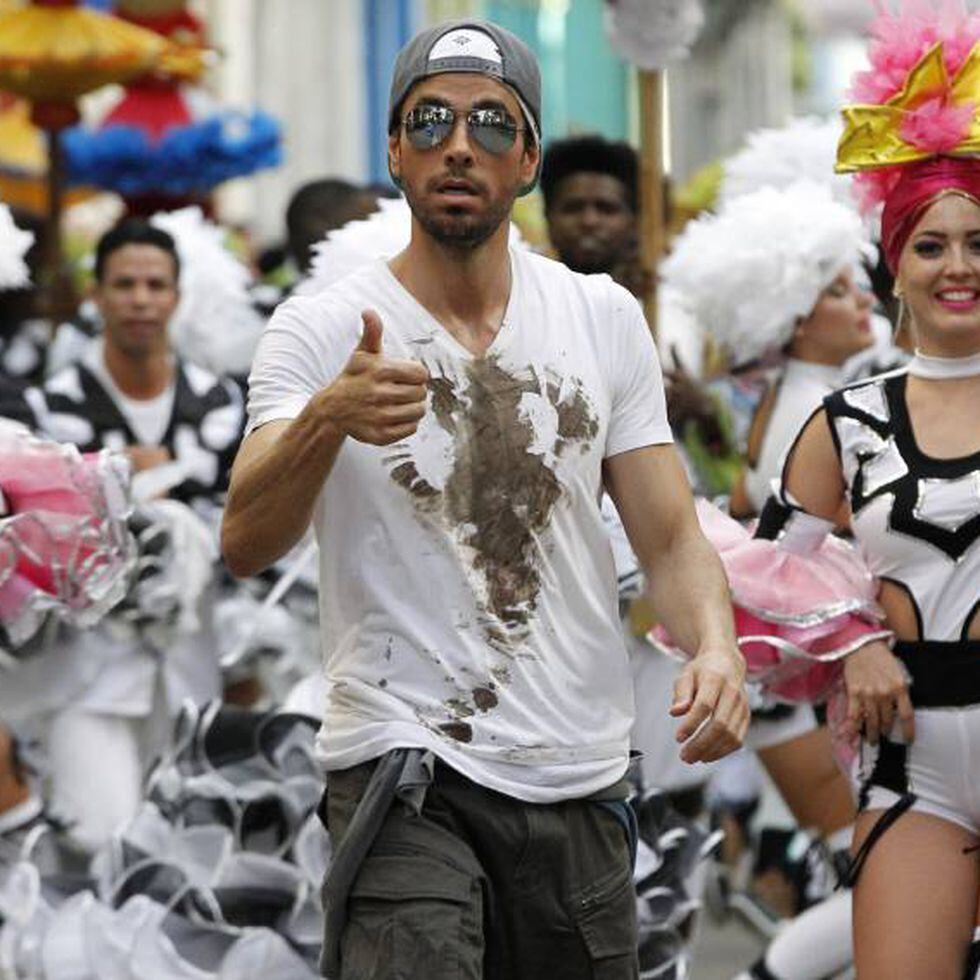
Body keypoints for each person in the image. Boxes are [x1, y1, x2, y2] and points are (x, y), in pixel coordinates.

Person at [223, 19, 748, 979]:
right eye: (428, 121)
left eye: (491, 126)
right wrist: (326, 419)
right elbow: (246, 539)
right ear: (394, 151)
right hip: (403, 765)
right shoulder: (321, 329)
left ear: (529, 159)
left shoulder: (600, 316)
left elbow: (668, 538)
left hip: (575, 770)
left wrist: (717, 647)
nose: (458, 145)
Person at [771, 3, 980, 973]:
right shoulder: (845, 422)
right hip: (912, 773)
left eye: (976, 241)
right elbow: (758, 576)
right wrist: (849, 640)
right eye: (929, 243)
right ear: (891, 261)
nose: (957, 267)